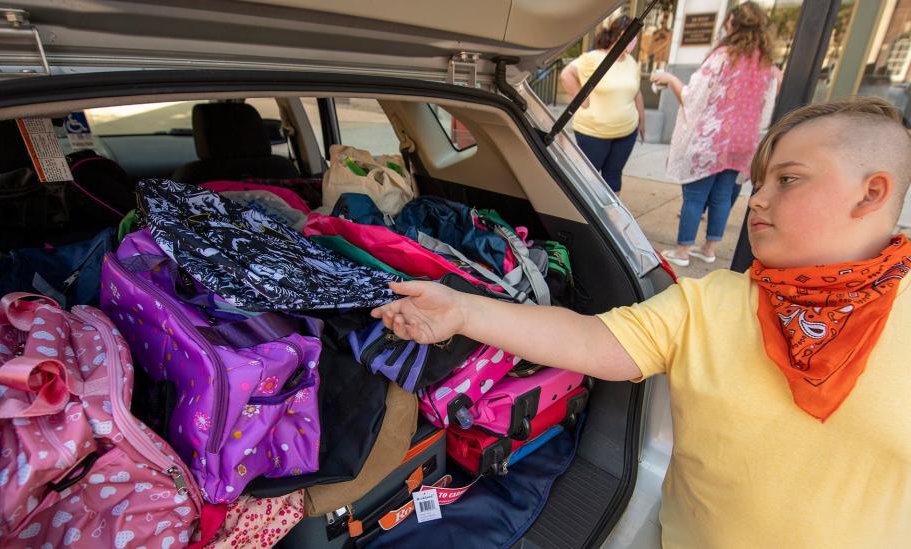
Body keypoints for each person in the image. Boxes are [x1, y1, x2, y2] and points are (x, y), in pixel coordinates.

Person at [370, 97, 911, 548]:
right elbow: (586, 339)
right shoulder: (706, 304)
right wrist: (465, 309)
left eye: (789, 180)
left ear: (872, 192)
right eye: (760, 181)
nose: (760, 199)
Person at [651, 2, 780, 267]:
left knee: (695, 197)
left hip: (711, 141)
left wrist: (670, 79)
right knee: (722, 197)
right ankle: (709, 249)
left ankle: (682, 251)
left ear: (732, 23)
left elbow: (693, 98)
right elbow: (765, 114)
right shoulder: (766, 65)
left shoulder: (724, 55)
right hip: (742, 143)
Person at [560, 15, 645, 196]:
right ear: (618, 34)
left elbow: (636, 93)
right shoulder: (594, 58)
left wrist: (642, 123)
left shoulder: (631, 63)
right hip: (593, 133)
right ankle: (587, 218)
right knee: (588, 180)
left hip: (626, 132)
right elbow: (566, 75)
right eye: (631, 35)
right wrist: (582, 101)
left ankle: (609, 219)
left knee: (613, 176)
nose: (634, 41)